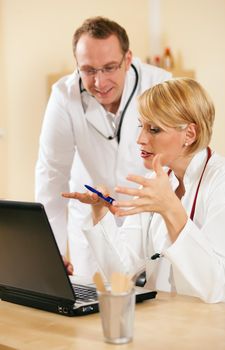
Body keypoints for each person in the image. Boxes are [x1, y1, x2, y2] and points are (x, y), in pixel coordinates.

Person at [62, 78, 225, 303]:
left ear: (189, 134)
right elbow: (119, 274)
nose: (140, 139)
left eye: (154, 129)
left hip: (210, 329)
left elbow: (217, 287)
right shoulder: (155, 181)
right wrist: (100, 212)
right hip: (160, 324)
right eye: (141, 126)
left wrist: (170, 208)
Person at [35, 16, 171, 276]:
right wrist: (50, 251)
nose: (99, 82)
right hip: (91, 224)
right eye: (88, 70)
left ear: (128, 59)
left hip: (149, 222)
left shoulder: (159, 84)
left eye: (109, 68)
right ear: (77, 66)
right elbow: (51, 176)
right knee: (94, 308)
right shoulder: (64, 96)